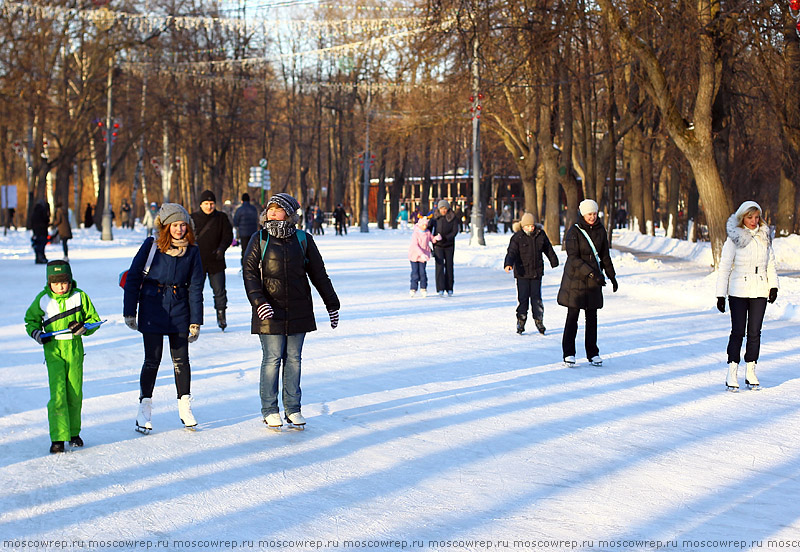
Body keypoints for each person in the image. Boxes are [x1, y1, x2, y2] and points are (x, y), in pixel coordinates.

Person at [242, 193, 339, 430]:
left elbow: (319, 274)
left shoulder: (303, 239)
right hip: (269, 310)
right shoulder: (259, 238)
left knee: (294, 360)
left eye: (278, 209)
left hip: (298, 308)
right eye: (270, 209)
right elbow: (249, 274)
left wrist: (332, 304)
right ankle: (269, 410)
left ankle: (293, 409)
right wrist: (258, 301)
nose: (273, 213)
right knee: (273, 359)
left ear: (290, 213)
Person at [123, 203, 204, 432]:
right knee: (152, 360)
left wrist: (195, 320)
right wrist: (130, 310)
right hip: (152, 306)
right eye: (175, 225)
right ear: (165, 226)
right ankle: (144, 409)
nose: (179, 230)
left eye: (183, 225)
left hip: (179, 308)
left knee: (181, 361)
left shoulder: (192, 251)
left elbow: (196, 287)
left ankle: (185, 406)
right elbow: (133, 277)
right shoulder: (151, 246)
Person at [24, 260, 101, 453]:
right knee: (58, 393)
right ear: (49, 282)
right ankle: (58, 437)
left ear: (70, 280)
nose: (61, 287)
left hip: (74, 349)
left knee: (74, 393)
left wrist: (83, 328)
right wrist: (37, 334)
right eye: (56, 283)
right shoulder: (43, 299)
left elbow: (94, 319)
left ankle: (74, 433)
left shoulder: (80, 296)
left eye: (64, 282)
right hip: (53, 350)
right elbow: (30, 321)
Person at [715, 201, 779, 391]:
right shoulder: (734, 238)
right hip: (738, 290)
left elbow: (771, 264)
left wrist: (773, 286)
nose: (754, 221)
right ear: (742, 217)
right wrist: (720, 295)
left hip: (759, 288)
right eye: (750, 217)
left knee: (755, 333)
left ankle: (751, 369)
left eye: (756, 217)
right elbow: (725, 267)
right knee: (738, 332)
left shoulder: (764, 237)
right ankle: (732, 370)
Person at [557, 199, 618, 367]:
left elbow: (605, 255)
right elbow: (573, 258)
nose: (592, 217)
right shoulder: (574, 232)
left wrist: (612, 276)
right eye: (589, 214)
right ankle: (569, 352)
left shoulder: (600, 230)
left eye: (594, 213)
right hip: (575, 280)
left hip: (593, 282)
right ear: (582, 214)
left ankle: (593, 352)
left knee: (592, 318)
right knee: (573, 317)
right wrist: (592, 274)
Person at [504, 212, 559, 335]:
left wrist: (553, 260)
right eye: (527, 227)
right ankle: (521, 320)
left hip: (536, 273)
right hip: (522, 273)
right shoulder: (517, 237)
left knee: (537, 299)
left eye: (532, 226)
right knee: (523, 299)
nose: (530, 229)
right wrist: (508, 263)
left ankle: (539, 320)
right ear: (522, 227)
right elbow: (511, 252)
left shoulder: (540, 235)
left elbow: (548, 249)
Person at [190, 190, 233, 330]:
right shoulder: (193, 219)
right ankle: (194, 319)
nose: (209, 206)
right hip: (197, 262)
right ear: (201, 204)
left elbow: (228, 235)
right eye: (206, 203)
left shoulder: (222, 218)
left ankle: (221, 315)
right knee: (196, 292)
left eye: (212, 203)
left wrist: (221, 248)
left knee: (219, 291)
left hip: (216, 260)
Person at [428, 199, 459, 296]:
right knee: (439, 267)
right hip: (438, 246)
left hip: (449, 245)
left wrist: (446, 238)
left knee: (449, 266)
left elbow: (454, 231)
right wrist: (433, 238)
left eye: (445, 208)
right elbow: (429, 229)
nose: (443, 210)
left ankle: (449, 287)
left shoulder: (452, 217)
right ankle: (440, 288)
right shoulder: (435, 218)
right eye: (442, 208)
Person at [409, 215, 433, 297]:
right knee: (415, 273)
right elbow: (415, 245)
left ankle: (423, 288)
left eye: (426, 225)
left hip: (424, 257)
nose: (424, 226)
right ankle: (413, 288)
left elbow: (432, 239)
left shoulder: (427, 232)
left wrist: (437, 238)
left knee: (422, 273)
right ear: (419, 225)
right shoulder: (415, 234)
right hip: (414, 256)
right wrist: (421, 254)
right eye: (423, 225)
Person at [233, 193, 260, 265]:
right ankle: (252, 264)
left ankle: (244, 265)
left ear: (242, 200)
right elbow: (256, 219)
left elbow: (235, 221)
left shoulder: (239, 209)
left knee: (244, 250)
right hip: (253, 232)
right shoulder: (253, 208)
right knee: (252, 250)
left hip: (243, 233)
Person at [31, 199, 50, 264]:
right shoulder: (43, 211)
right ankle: (41, 257)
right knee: (42, 245)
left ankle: (38, 257)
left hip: (36, 231)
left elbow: (31, 222)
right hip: (42, 231)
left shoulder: (34, 212)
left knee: (37, 244)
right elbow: (46, 220)